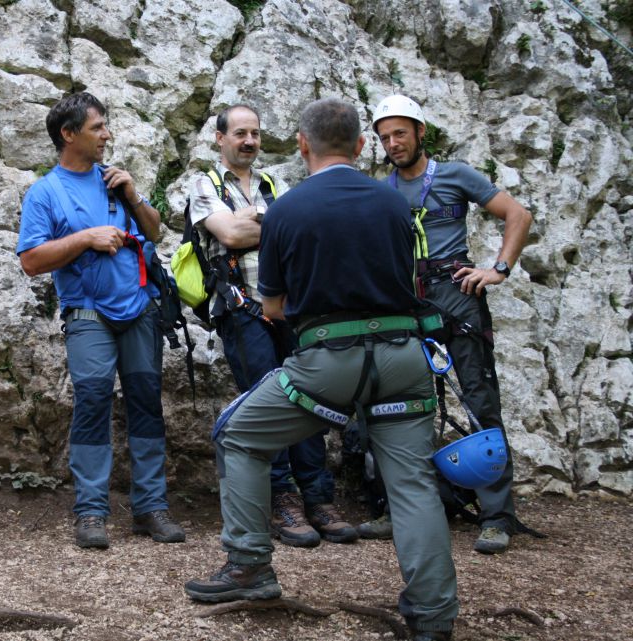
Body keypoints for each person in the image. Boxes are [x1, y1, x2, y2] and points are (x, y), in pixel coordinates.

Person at [184, 98, 458, 641]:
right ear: (361, 146)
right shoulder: (393, 205)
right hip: (404, 357)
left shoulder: (286, 210)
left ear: (303, 146)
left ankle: (250, 567)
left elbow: (273, 309)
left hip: (328, 360)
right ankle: (433, 617)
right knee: (412, 485)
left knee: (238, 435)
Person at [365, 94, 533, 555]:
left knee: (480, 401)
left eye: (400, 133)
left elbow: (518, 214)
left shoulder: (456, 175)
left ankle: (497, 516)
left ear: (421, 132)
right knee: (396, 407)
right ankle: (396, 508)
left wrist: (498, 269)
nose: (393, 143)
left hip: (457, 299)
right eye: (384, 138)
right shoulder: (382, 191)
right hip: (407, 304)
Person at [17, 92, 185, 549]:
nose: (106, 134)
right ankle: (91, 512)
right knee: (92, 400)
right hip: (87, 313)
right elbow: (31, 260)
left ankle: (151, 507)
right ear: (69, 135)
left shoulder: (114, 181)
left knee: (147, 401)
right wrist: (86, 237)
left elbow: (154, 230)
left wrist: (132, 195)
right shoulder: (45, 192)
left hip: (140, 309)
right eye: (97, 128)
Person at [186, 105, 356, 547]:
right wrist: (271, 224)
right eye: (240, 133)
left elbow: (293, 231)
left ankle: (319, 498)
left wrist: (259, 223)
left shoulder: (272, 186)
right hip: (241, 310)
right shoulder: (205, 183)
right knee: (269, 401)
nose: (249, 141)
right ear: (219, 138)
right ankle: (282, 501)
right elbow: (231, 236)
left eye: (256, 134)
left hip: (288, 309)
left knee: (310, 399)